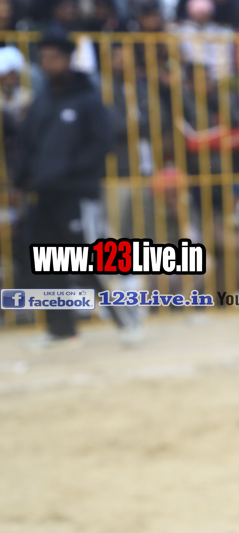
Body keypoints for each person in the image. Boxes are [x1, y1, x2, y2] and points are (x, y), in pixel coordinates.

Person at [14, 34, 139, 346]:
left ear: (68, 59)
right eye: (44, 58)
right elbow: (27, 145)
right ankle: (61, 328)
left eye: (54, 58)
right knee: (47, 261)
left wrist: (69, 171)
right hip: (44, 195)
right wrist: (22, 180)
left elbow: (101, 144)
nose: (48, 64)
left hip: (77, 195)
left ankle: (127, 320)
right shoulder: (42, 101)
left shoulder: (88, 100)